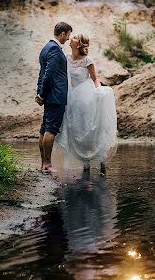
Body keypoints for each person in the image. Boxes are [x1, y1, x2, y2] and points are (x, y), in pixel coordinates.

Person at [55, 33, 117, 174]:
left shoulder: (87, 60)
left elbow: (95, 79)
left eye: (75, 37)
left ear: (80, 44)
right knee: (78, 128)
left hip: (87, 98)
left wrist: (98, 92)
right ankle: (86, 165)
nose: (71, 39)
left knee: (92, 129)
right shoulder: (66, 59)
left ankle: (102, 165)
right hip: (73, 99)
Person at [36, 21, 73, 173]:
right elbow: (48, 76)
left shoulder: (46, 48)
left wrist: (39, 93)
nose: (68, 39)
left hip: (49, 95)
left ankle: (43, 163)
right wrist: (42, 94)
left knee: (44, 129)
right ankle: (47, 165)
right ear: (63, 33)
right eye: (68, 35)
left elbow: (42, 74)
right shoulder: (55, 50)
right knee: (50, 130)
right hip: (56, 96)